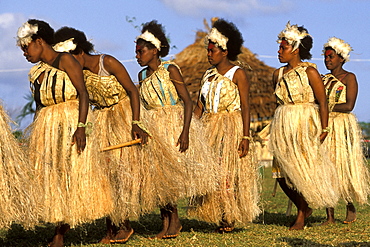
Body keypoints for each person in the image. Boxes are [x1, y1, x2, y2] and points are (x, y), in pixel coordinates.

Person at [17, 19, 113, 247]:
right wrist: (35, 136)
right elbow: (39, 107)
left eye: (26, 47)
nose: (24, 53)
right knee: (54, 177)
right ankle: (58, 231)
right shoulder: (37, 72)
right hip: (48, 129)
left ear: (39, 41)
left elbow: (83, 94)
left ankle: (60, 234)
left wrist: (81, 128)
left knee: (71, 175)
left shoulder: (66, 60)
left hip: (71, 125)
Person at [53, 26, 149, 244]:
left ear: (78, 51)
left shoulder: (108, 62)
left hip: (123, 118)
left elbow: (133, 91)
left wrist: (135, 123)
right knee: (105, 174)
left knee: (121, 173)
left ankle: (124, 225)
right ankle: (110, 227)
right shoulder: (78, 73)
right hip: (102, 122)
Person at [135, 20, 217, 239]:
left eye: (141, 51)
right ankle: (167, 223)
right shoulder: (141, 77)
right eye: (136, 52)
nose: (137, 55)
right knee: (158, 176)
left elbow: (188, 102)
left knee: (170, 176)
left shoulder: (170, 69)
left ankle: (175, 221)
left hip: (173, 125)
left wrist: (185, 131)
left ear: (155, 50)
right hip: (153, 128)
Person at [190, 18, 260, 233]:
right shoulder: (207, 76)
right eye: (208, 50)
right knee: (213, 174)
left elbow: (246, 107)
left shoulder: (237, 73)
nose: (208, 54)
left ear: (224, 50)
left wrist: (245, 137)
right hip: (209, 128)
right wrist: (191, 129)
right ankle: (219, 214)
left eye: (212, 51)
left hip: (231, 127)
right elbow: (200, 106)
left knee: (228, 173)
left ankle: (229, 216)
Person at [269, 22, 339, 230]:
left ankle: (301, 214)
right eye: (279, 47)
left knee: (301, 171)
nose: (279, 51)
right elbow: (278, 102)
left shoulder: (310, 72)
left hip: (305, 123)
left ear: (296, 49)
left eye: (284, 48)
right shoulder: (277, 75)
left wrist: (324, 128)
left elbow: (322, 101)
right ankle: (304, 206)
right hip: (284, 123)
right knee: (280, 173)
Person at [321, 37, 370, 225]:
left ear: (341, 58)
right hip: (325, 125)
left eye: (331, 57)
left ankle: (350, 205)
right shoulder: (323, 80)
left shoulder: (350, 78)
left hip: (342, 127)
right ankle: (330, 216)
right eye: (325, 57)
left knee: (343, 167)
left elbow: (349, 105)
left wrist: (325, 107)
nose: (327, 60)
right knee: (327, 169)